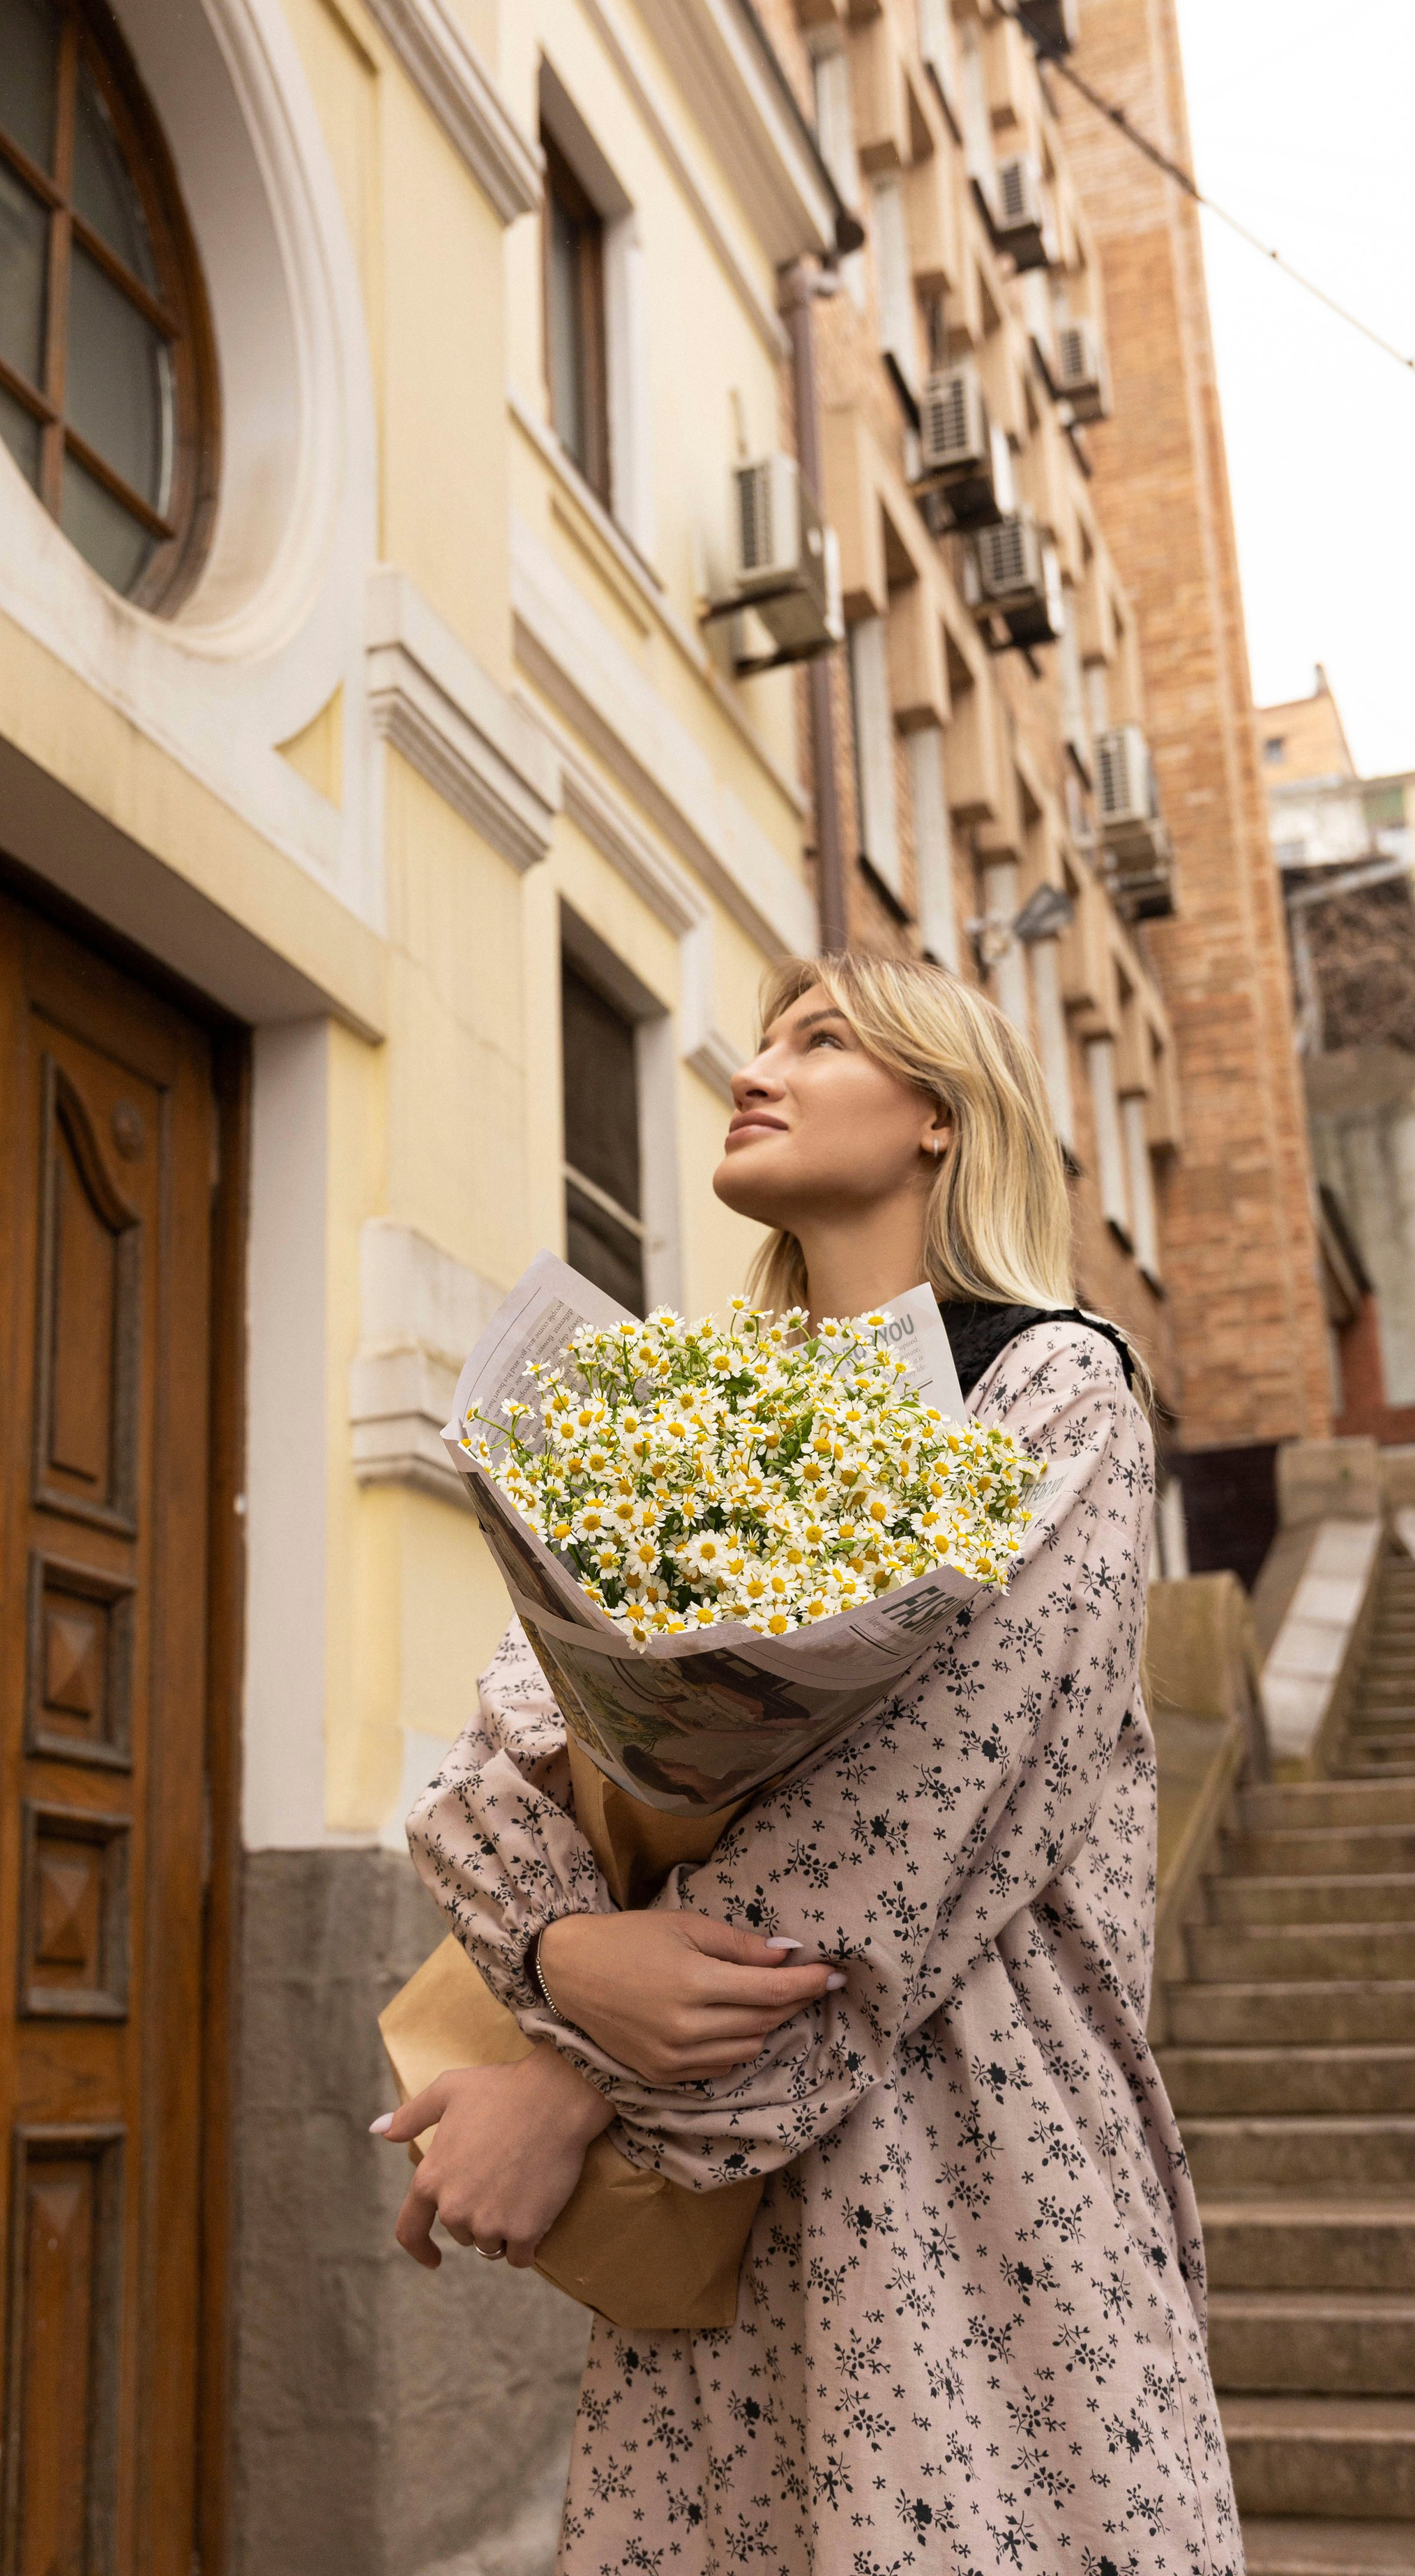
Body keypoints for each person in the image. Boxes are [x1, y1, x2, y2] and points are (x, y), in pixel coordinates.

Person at [378, 952, 1242, 2574]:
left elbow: (937, 1793)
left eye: (819, 1041)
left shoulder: (1051, 1383)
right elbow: (496, 1759)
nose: (753, 1069)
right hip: (709, 2227)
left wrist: (574, 2084)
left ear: (938, 1116)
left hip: (967, 2156)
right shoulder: (698, 1405)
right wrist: (560, 1947)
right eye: (757, 1041)